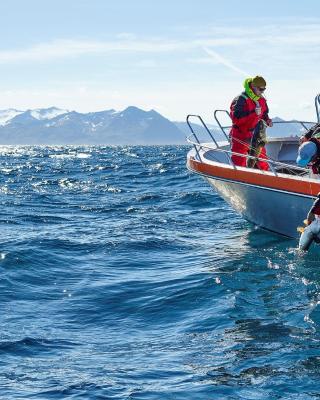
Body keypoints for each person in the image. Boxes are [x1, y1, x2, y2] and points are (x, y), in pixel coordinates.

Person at [230, 75, 273, 170]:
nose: (262, 92)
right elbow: (236, 119)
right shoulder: (240, 99)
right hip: (241, 135)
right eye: (260, 89)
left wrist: (267, 120)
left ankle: (264, 179)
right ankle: (239, 180)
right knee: (239, 162)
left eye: (264, 89)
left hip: (256, 135)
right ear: (253, 87)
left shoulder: (261, 100)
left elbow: (264, 114)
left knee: (262, 160)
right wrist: (253, 113)